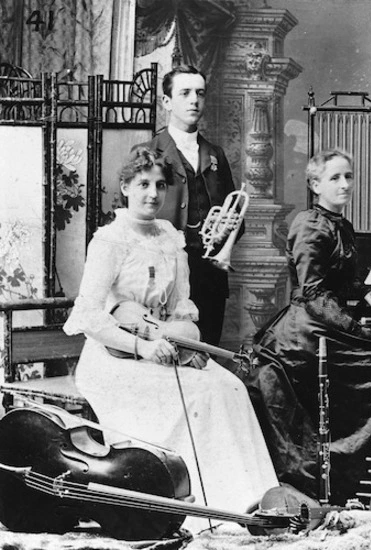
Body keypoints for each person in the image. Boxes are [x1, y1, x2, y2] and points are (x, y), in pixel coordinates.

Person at [63, 147, 278, 533]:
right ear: (125, 186)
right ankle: (199, 508)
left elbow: (181, 307)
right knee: (198, 395)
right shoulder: (110, 241)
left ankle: (245, 499)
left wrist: (185, 342)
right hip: (114, 361)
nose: (152, 194)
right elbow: (89, 316)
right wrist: (143, 346)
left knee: (229, 386)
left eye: (160, 185)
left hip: (163, 350)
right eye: (143, 184)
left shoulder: (169, 237)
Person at [239, 149, 371, 505]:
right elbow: (314, 294)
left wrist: (368, 291)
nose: (345, 184)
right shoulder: (309, 225)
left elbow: (340, 284)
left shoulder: (341, 224)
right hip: (306, 331)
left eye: (348, 176)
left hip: (326, 324)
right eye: (335, 178)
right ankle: (340, 477)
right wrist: (360, 332)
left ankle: (354, 478)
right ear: (314, 184)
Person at [136, 64, 239, 345]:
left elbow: (235, 216)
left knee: (205, 354)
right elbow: (133, 222)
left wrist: (225, 232)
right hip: (163, 277)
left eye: (200, 93)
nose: (194, 100)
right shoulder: (147, 153)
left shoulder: (216, 154)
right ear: (167, 102)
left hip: (209, 277)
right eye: (185, 93)